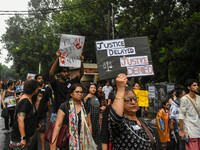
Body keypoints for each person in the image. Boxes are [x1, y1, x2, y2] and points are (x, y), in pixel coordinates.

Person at [108, 74, 156, 149]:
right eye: (127, 100)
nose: (133, 102)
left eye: (134, 98)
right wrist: (121, 89)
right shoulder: (120, 125)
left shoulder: (144, 123)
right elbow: (115, 117)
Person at [50, 83, 95, 150]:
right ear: (71, 94)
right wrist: (53, 144)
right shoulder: (64, 106)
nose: (79, 94)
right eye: (77, 92)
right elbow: (58, 126)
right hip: (67, 141)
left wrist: (89, 142)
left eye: (81, 92)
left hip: (83, 142)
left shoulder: (85, 107)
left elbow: (89, 125)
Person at [49, 49, 84, 121]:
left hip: (68, 113)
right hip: (56, 113)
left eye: (67, 72)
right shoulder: (56, 83)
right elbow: (51, 74)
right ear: (59, 73)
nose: (66, 73)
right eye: (64, 72)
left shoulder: (70, 83)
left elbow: (81, 74)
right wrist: (57, 58)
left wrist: (81, 61)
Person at [9, 79, 42, 150]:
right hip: (20, 138)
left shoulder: (29, 98)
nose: (38, 89)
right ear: (34, 89)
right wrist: (23, 138)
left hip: (29, 134)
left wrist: (38, 101)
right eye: (37, 87)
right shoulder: (25, 101)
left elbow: (32, 113)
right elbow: (20, 120)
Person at [179, 79, 200, 150]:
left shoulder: (199, 98)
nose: (197, 87)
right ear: (189, 87)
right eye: (194, 85)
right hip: (190, 130)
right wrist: (181, 130)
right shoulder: (184, 99)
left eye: (197, 85)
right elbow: (181, 115)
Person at [33, 74, 51, 150]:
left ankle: (43, 148)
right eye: (38, 78)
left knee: (42, 132)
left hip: (42, 114)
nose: (40, 80)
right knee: (32, 133)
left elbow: (48, 101)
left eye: (41, 78)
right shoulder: (33, 90)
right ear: (36, 80)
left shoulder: (46, 90)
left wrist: (49, 112)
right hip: (33, 114)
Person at [84, 83, 102, 149]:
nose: (93, 89)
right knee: (89, 132)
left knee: (96, 133)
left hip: (96, 118)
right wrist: (86, 98)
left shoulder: (96, 96)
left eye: (94, 88)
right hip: (90, 118)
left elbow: (96, 106)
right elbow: (82, 105)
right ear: (88, 89)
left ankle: (95, 146)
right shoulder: (86, 96)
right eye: (91, 88)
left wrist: (101, 108)